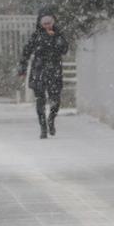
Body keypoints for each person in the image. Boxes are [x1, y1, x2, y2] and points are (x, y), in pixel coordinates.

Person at [18, 8, 68, 139]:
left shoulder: (59, 35)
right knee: (40, 100)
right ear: (40, 23)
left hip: (54, 70)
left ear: (53, 22)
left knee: (55, 100)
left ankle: (51, 119)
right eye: (44, 23)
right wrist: (22, 69)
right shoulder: (36, 36)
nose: (47, 25)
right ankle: (43, 127)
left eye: (49, 22)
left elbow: (64, 50)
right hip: (39, 70)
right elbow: (26, 52)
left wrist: (57, 40)